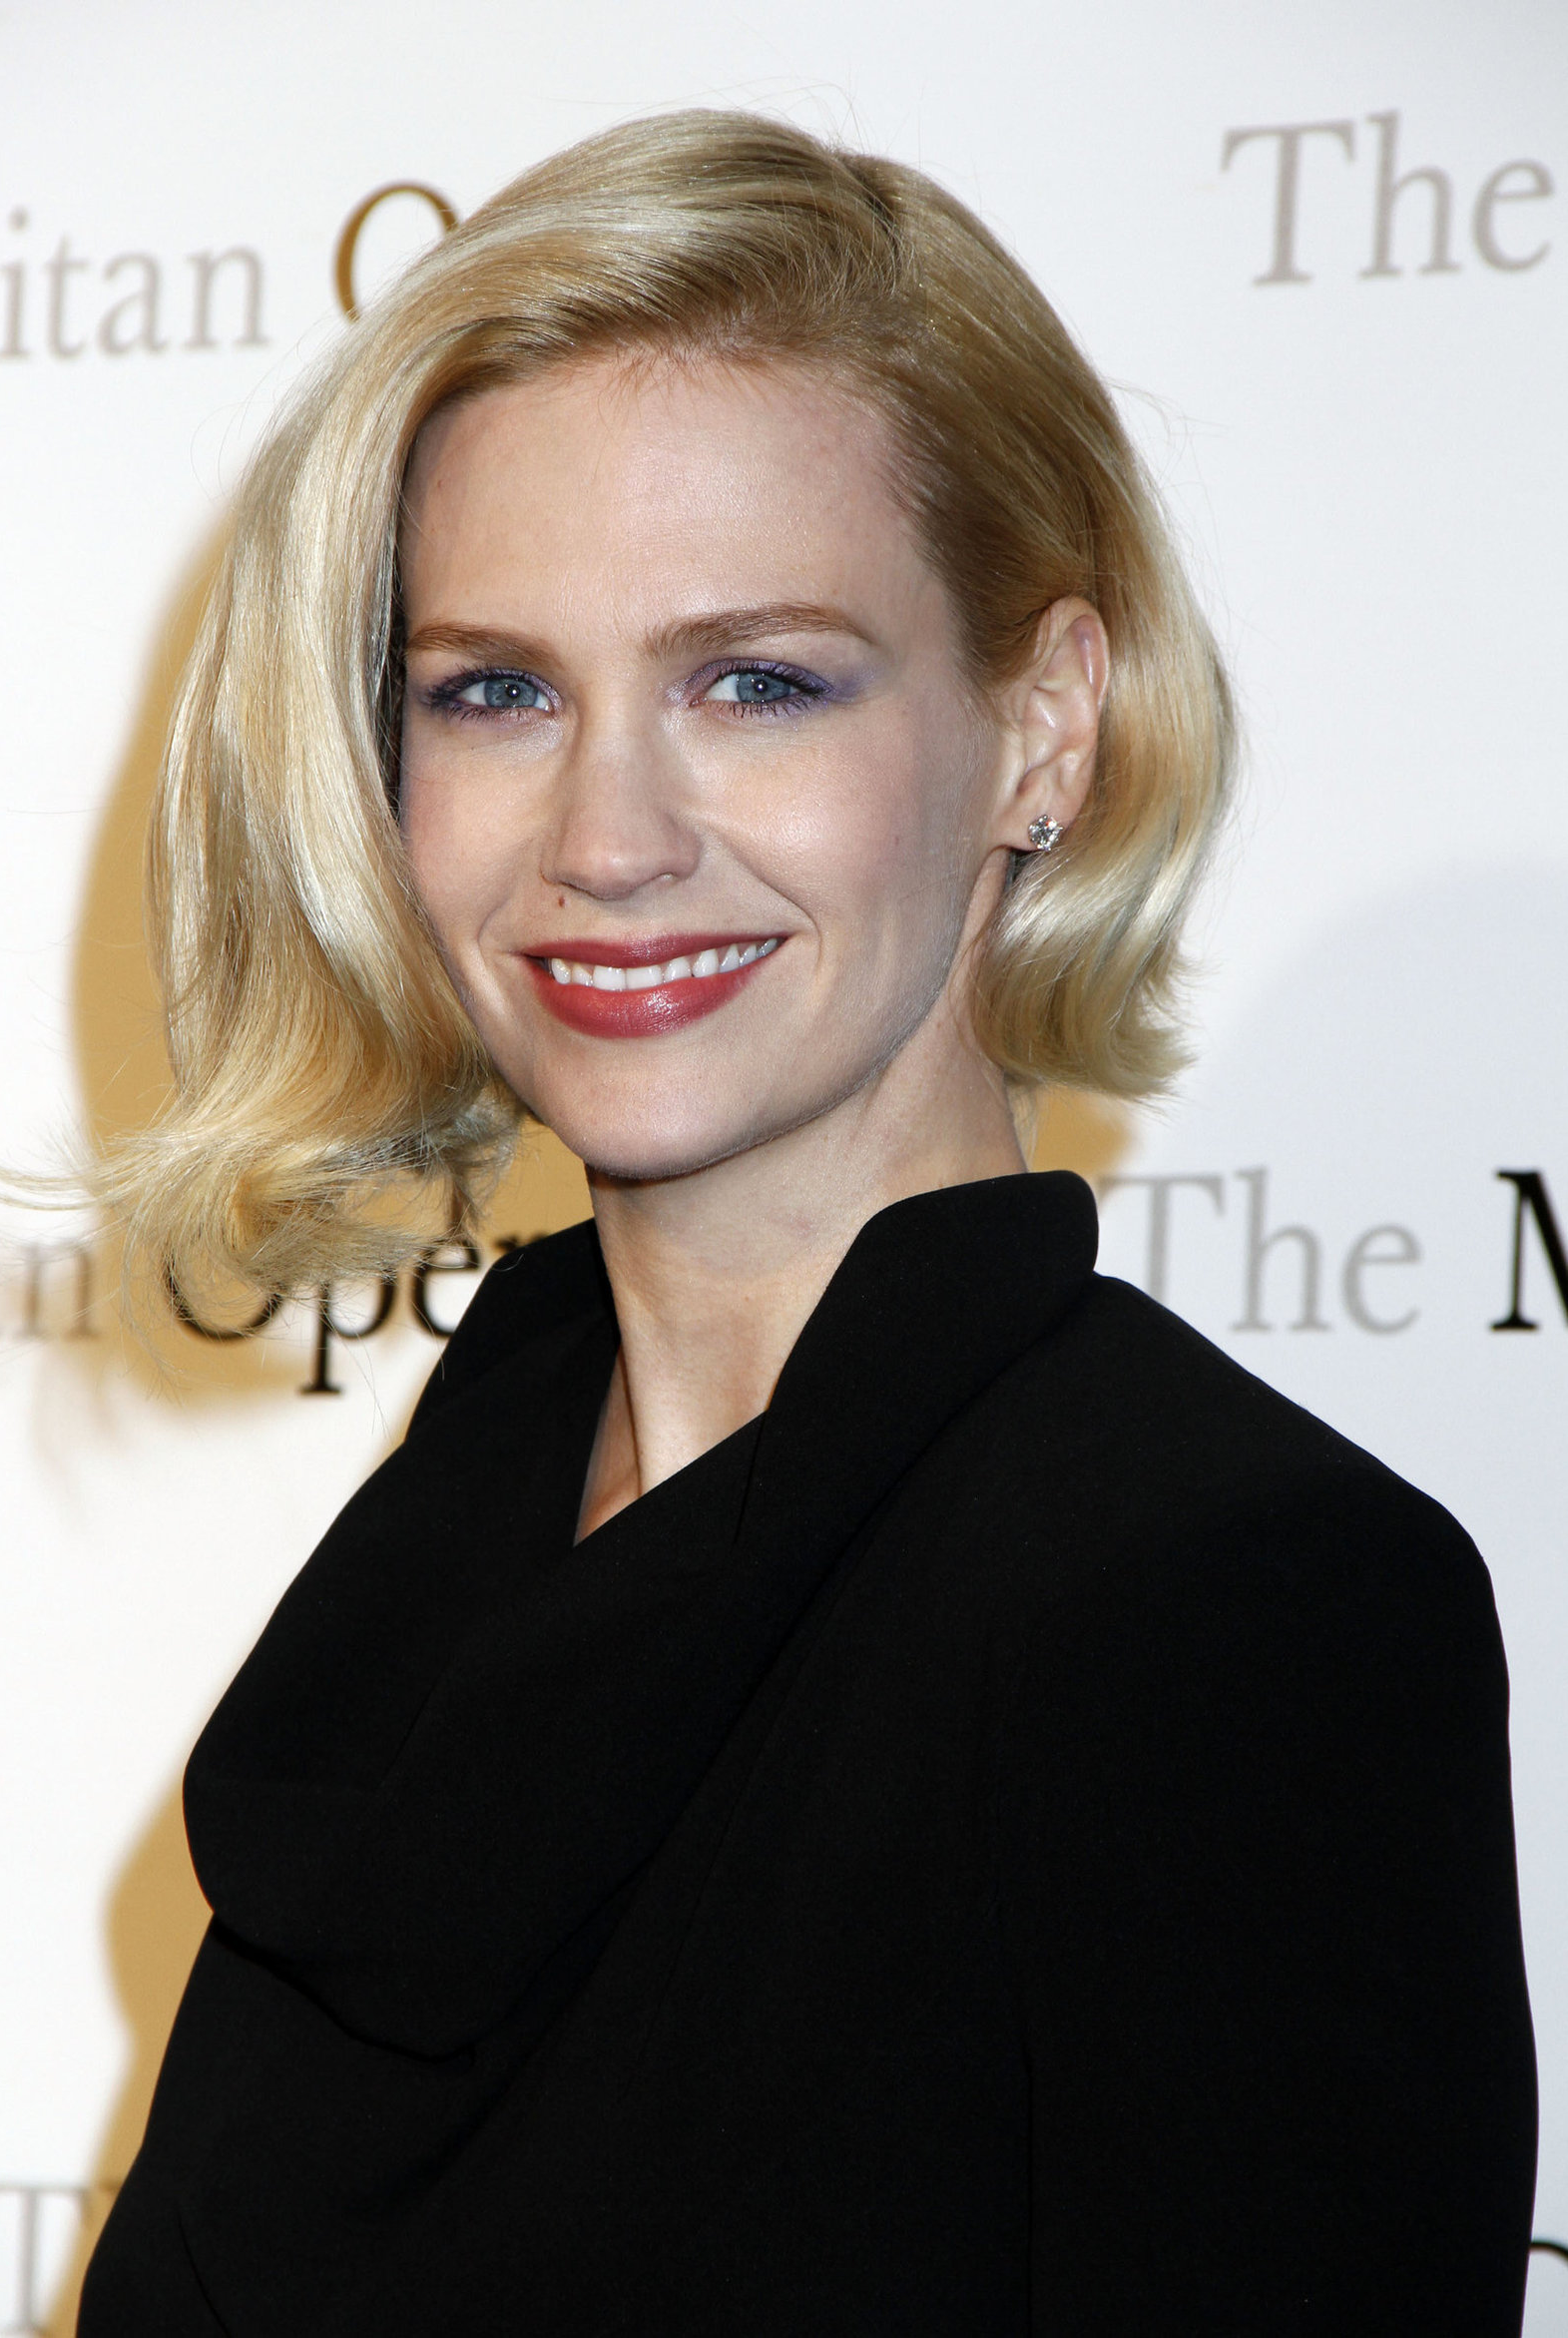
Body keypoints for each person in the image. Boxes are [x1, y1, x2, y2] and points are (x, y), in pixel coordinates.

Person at [78, 111, 1536, 2336]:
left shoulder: (1228, 1602)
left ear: (1044, 727)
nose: (606, 836)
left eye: (754, 679)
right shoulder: (456, 1529)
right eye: (494, 690)